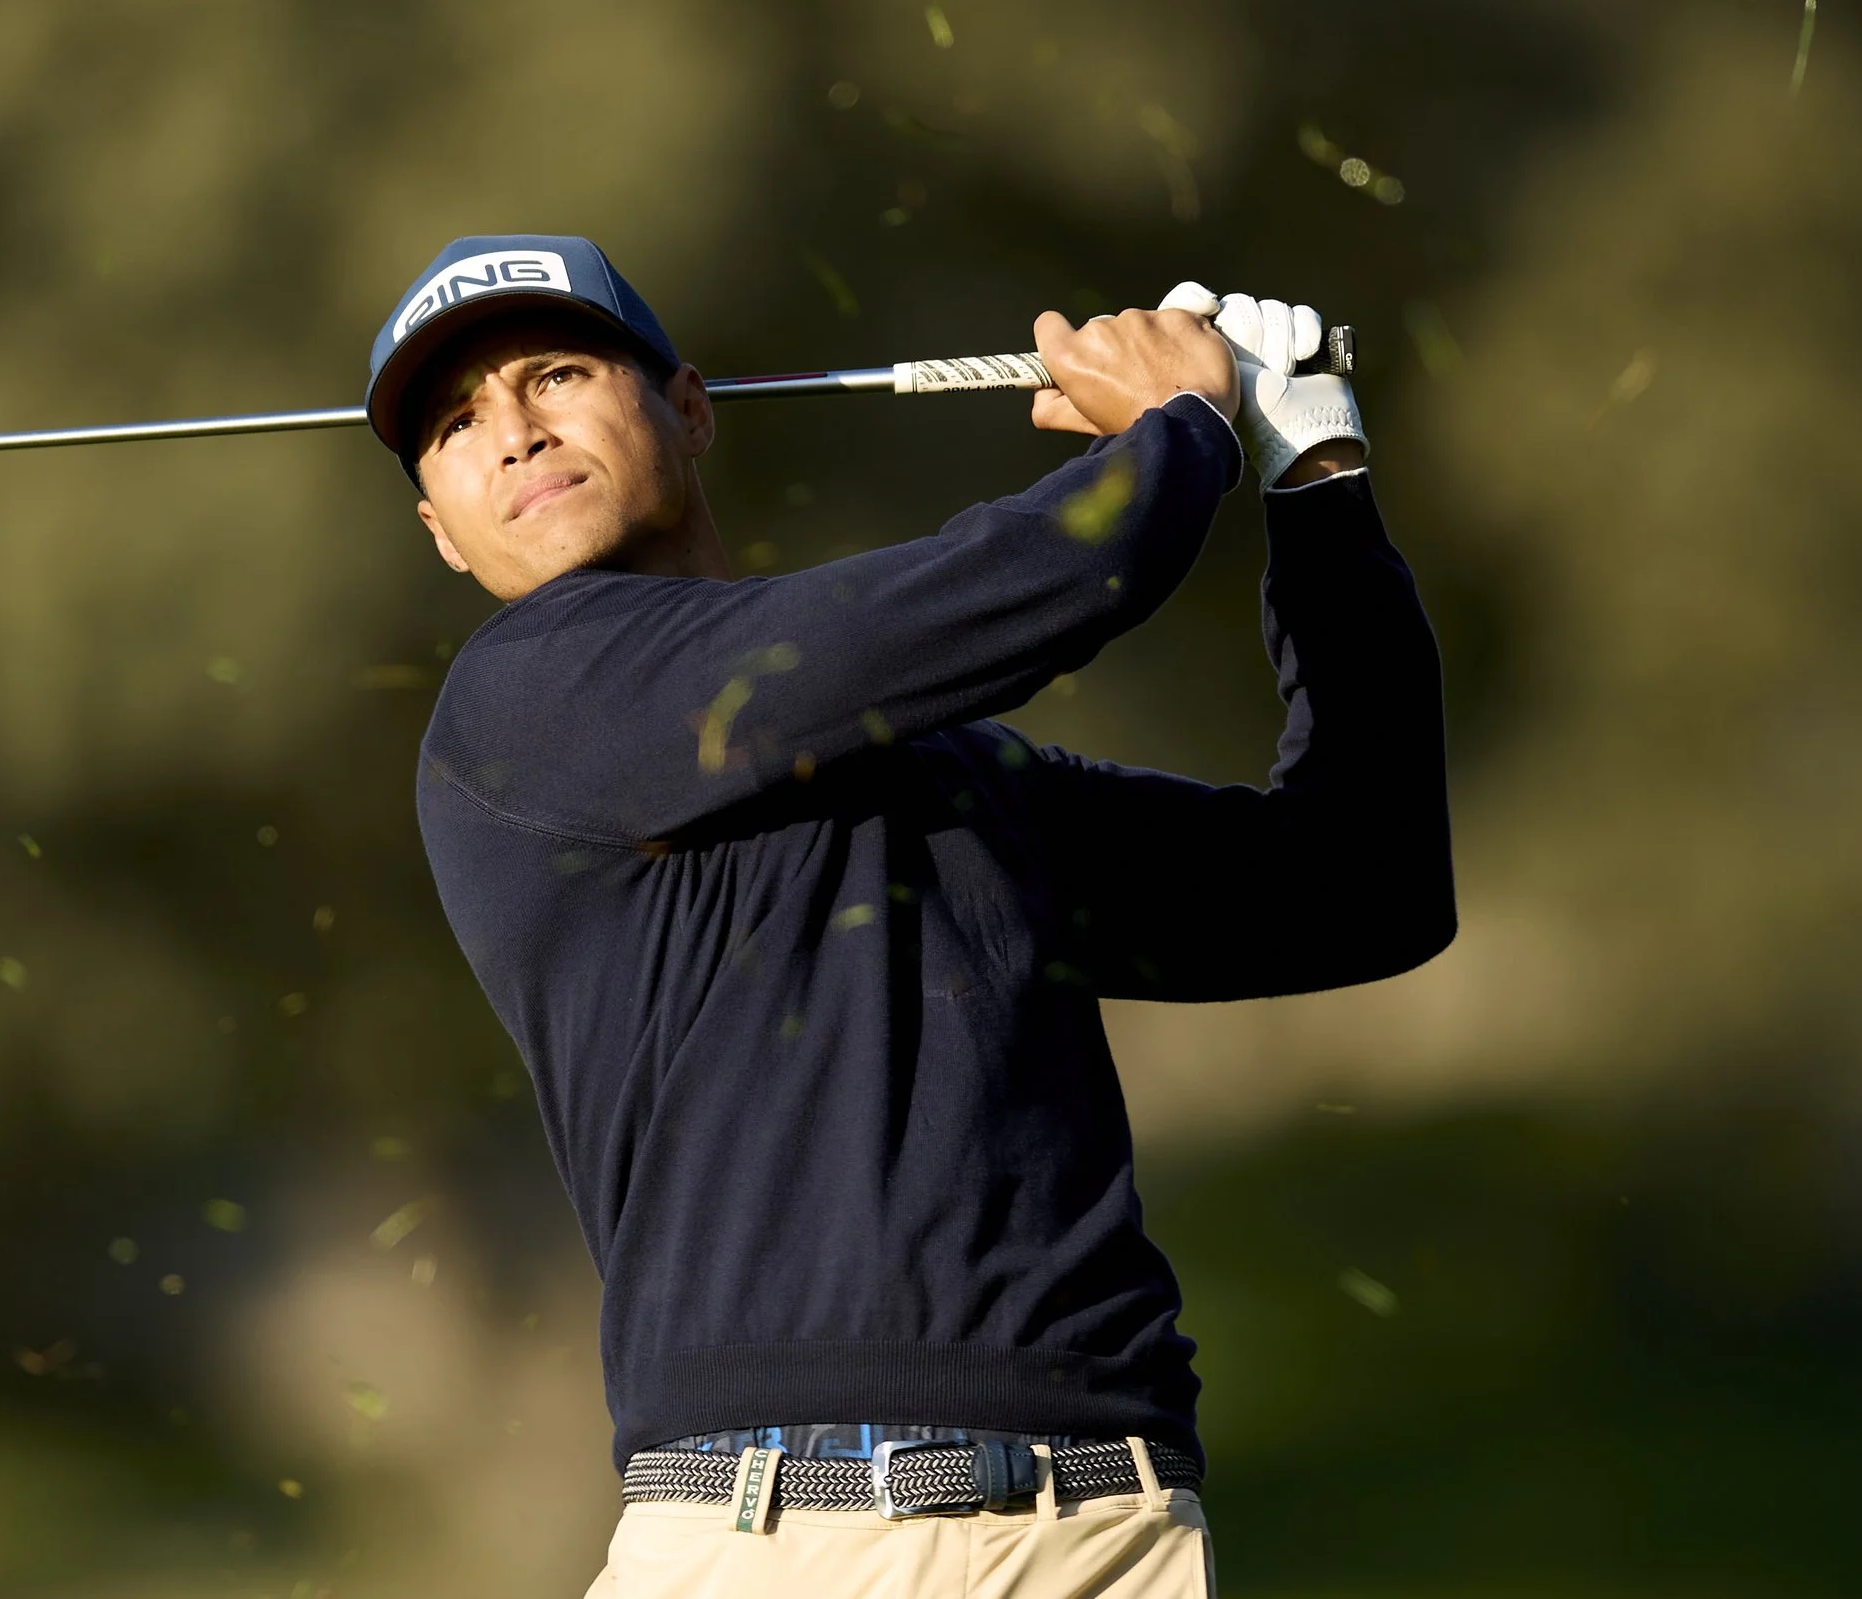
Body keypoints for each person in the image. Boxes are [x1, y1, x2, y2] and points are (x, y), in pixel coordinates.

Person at [364, 235, 1455, 1598]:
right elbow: (1040, 582)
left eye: (556, 373)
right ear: (438, 528)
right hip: (787, 1537)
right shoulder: (524, 706)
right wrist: (1181, 429)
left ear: (689, 407)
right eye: (457, 424)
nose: (514, 431)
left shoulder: (961, 785)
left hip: (1108, 1541)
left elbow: (1363, 887)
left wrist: (1318, 485)